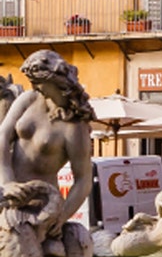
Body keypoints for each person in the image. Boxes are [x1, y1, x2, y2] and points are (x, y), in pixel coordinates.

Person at [0, 50, 95, 234]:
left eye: (38, 82)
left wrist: (62, 216)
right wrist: (7, 182)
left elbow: (83, 179)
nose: (35, 87)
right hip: (7, 194)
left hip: (39, 205)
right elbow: (2, 136)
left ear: (55, 81)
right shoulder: (29, 99)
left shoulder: (75, 126)